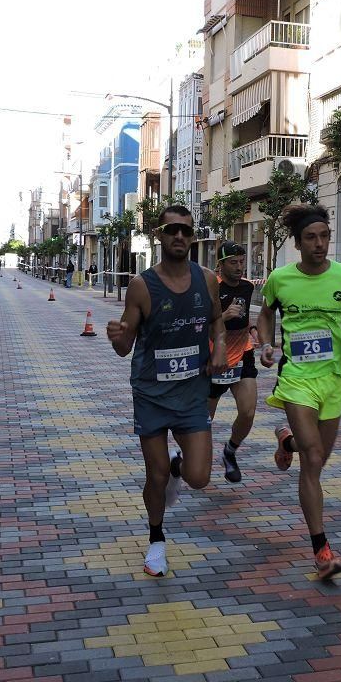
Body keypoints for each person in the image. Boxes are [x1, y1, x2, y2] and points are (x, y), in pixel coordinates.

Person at [257, 204, 341, 581]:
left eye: (325, 236)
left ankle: (286, 440)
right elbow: (265, 314)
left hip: (333, 381)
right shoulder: (280, 279)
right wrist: (265, 343)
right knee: (313, 457)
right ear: (298, 242)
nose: (320, 243)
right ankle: (321, 549)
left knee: (317, 459)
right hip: (296, 378)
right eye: (311, 237)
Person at [106, 204, 227, 577]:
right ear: (159, 235)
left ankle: (180, 465)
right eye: (172, 229)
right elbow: (125, 347)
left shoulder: (206, 279)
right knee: (155, 475)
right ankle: (156, 540)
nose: (179, 236)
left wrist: (220, 346)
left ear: (193, 237)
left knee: (199, 478)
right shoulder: (142, 285)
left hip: (192, 392)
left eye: (186, 231)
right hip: (152, 393)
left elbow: (216, 322)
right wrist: (118, 337)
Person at [208, 242, 259, 484]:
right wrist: (222, 317)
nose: (240, 267)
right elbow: (199, 326)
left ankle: (230, 450)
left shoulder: (248, 287)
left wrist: (255, 331)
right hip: (214, 357)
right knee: (204, 421)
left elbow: (247, 318)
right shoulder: (211, 288)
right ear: (221, 265)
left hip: (242, 353)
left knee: (248, 412)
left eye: (242, 261)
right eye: (233, 262)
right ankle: (187, 456)